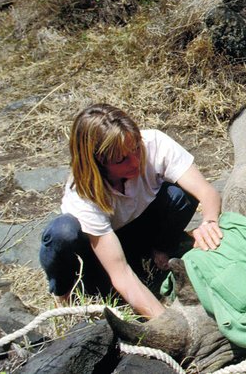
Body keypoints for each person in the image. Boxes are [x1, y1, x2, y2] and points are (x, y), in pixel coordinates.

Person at [39, 104, 223, 319]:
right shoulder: (82, 193)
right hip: (98, 249)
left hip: (137, 228)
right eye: (121, 159)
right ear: (98, 161)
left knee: (179, 193)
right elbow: (121, 273)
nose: (135, 161)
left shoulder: (154, 142)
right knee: (64, 232)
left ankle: (157, 252)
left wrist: (210, 221)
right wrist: (165, 322)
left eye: (136, 148)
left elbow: (207, 192)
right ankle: (64, 295)